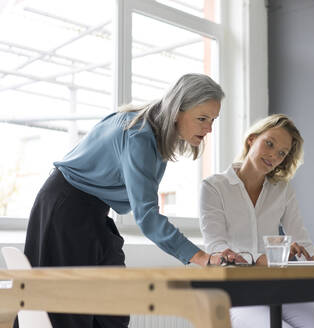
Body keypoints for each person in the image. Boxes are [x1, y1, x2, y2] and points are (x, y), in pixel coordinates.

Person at [22, 73, 226, 328]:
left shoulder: (152, 133)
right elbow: (147, 216)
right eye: (202, 118)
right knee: (68, 311)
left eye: (213, 120)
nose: (208, 129)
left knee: (113, 309)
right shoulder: (139, 133)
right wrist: (200, 257)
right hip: (66, 207)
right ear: (177, 110)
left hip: (92, 211)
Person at [199, 114, 314, 328]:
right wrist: (259, 259)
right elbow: (216, 249)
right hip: (234, 292)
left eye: (282, 153)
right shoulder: (214, 187)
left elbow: (300, 239)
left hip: (278, 287)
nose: (273, 156)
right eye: (269, 144)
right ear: (252, 139)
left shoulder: (283, 190)